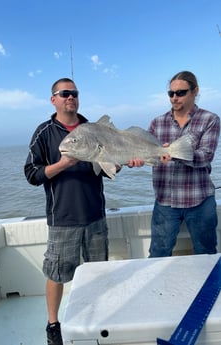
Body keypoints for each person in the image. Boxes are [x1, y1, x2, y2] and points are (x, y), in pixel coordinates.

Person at [24, 78, 109, 345]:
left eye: (74, 93)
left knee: (97, 271)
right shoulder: (44, 132)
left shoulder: (93, 129)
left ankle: (96, 318)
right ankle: (53, 324)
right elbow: (31, 174)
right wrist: (62, 164)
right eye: (64, 94)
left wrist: (127, 161)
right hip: (62, 218)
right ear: (54, 99)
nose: (70, 97)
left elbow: (110, 163)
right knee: (56, 273)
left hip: (95, 214)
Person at [129, 70, 220, 257]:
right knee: (158, 252)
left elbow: (206, 155)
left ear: (195, 91)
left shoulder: (210, 120)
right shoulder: (157, 122)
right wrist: (135, 160)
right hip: (165, 200)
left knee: (206, 253)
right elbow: (147, 153)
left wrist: (174, 154)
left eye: (180, 93)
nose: (174, 98)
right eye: (171, 93)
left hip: (199, 200)